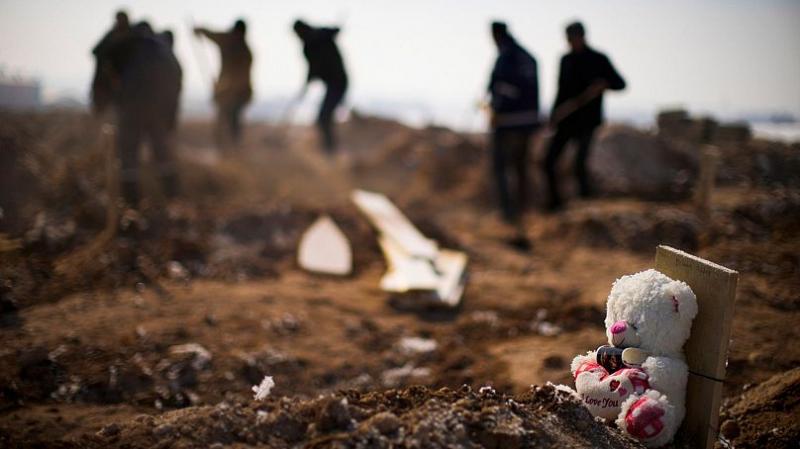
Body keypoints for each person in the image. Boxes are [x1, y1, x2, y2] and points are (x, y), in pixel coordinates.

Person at [544, 21, 625, 211]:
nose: (570, 42)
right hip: (566, 119)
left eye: (573, 38)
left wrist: (603, 84)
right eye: (568, 39)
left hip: (588, 121)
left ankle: (586, 206)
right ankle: (555, 204)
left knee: (579, 164)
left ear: (582, 37)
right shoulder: (566, 59)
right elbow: (561, 90)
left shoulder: (599, 59)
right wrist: (554, 115)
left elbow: (620, 83)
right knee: (549, 161)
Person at [487, 22, 540, 225]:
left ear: (495, 34)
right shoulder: (528, 57)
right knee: (520, 167)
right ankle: (523, 210)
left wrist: (496, 110)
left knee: (501, 167)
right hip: (528, 122)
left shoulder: (507, 57)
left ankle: (508, 213)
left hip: (507, 122)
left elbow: (503, 89)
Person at [194, 20, 253, 148]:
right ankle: (226, 149)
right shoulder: (235, 44)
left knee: (229, 120)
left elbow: (240, 78)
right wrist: (200, 30)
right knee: (227, 121)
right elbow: (210, 34)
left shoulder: (239, 48)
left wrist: (223, 88)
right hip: (232, 92)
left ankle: (230, 149)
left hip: (235, 92)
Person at [293, 19, 348, 154]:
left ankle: (330, 150)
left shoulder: (317, 37)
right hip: (334, 83)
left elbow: (334, 31)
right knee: (324, 117)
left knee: (324, 117)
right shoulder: (312, 43)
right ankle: (329, 148)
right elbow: (312, 69)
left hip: (338, 82)